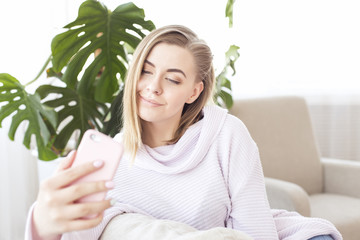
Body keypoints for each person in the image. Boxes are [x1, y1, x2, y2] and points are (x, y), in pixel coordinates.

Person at [25, 25, 342, 240]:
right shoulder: (112, 160)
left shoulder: (227, 134)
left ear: (193, 91)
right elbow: (81, 230)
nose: (152, 87)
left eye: (172, 79)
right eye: (147, 70)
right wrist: (42, 224)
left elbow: (255, 228)